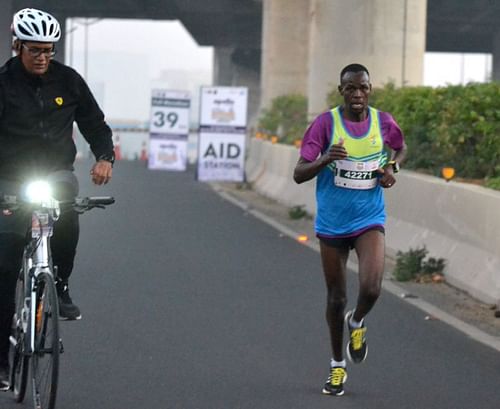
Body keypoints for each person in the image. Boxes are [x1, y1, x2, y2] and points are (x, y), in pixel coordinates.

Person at [0, 8, 114, 389]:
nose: (42, 57)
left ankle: (60, 282)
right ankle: (1, 360)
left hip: (54, 173)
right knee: (3, 271)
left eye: (48, 50)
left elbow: (95, 124)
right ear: (17, 46)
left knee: (67, 203)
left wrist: (104, 158)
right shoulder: (3, 83)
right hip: (10, 179)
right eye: (34, 50)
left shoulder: (68, 81)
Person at [293, 63, 407, 396]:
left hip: (369, 219)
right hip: (332, 224)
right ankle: (336, 366)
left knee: (371, 288)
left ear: (369, 90)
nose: (358, 94)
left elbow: (400, 147)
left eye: (363, 88)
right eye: (351, 88)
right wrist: (326, 158)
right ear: (341, 91)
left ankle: (356, 321)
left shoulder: (382, 122)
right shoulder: (325, 124)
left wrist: (391, 166)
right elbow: (299, 173)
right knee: (336, 297)